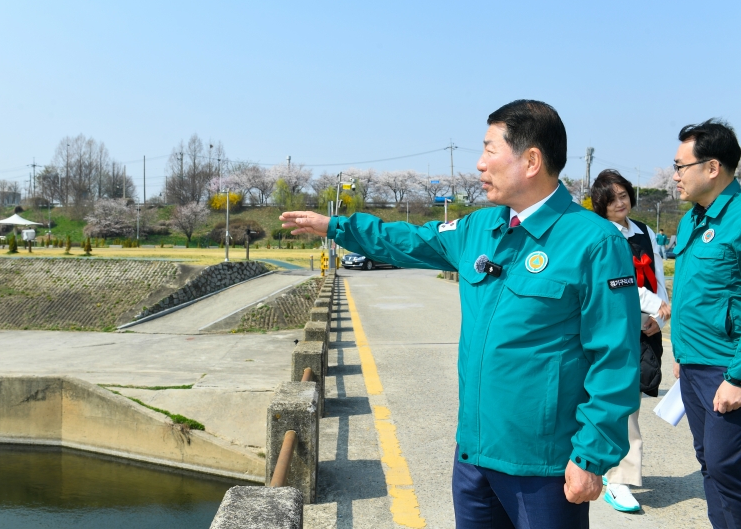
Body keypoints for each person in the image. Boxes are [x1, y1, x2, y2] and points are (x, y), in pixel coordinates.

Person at [281, 100, 641, 529]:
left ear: (530, 160)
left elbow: (615, 358)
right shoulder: (479, 228)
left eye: (490, 150)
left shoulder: (594, 242)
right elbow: (409, 240)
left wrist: (591, 455)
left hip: (543, 465)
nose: (479, 164)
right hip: (473, 455)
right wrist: (336, 227)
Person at [670, 119, 741, 528]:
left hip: (727, 368)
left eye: (681, 166)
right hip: (694, 366)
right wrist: (681, 356)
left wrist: (738, 376)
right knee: (709, 465)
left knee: (729, 468)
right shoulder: (692, 220)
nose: (675, 175)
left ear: (712, 168)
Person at [590, 169, 671, 513]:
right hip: (609, 326)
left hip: (643, 327)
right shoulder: (599, 233)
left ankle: (609, 468)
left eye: (624, 196)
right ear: (601, 205)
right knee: (623, 403)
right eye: (612, 199)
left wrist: (662, 316)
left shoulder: (644, 232)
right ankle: (619, 478)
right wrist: (654, 306)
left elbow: (657, 276)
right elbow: (617, 281)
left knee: (631, 397)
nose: (620, 203)